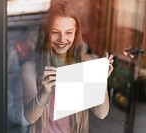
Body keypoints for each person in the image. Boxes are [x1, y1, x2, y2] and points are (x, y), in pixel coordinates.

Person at [21, 2, 114, 133]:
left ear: (76, 33)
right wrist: (44, 92)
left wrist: (101, 80)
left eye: (69, 32)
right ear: (45, 33)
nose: (62, 39)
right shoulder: (31, 68)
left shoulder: (84, 64)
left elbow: (101, 113)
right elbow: (30, 118)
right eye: (55, 32)